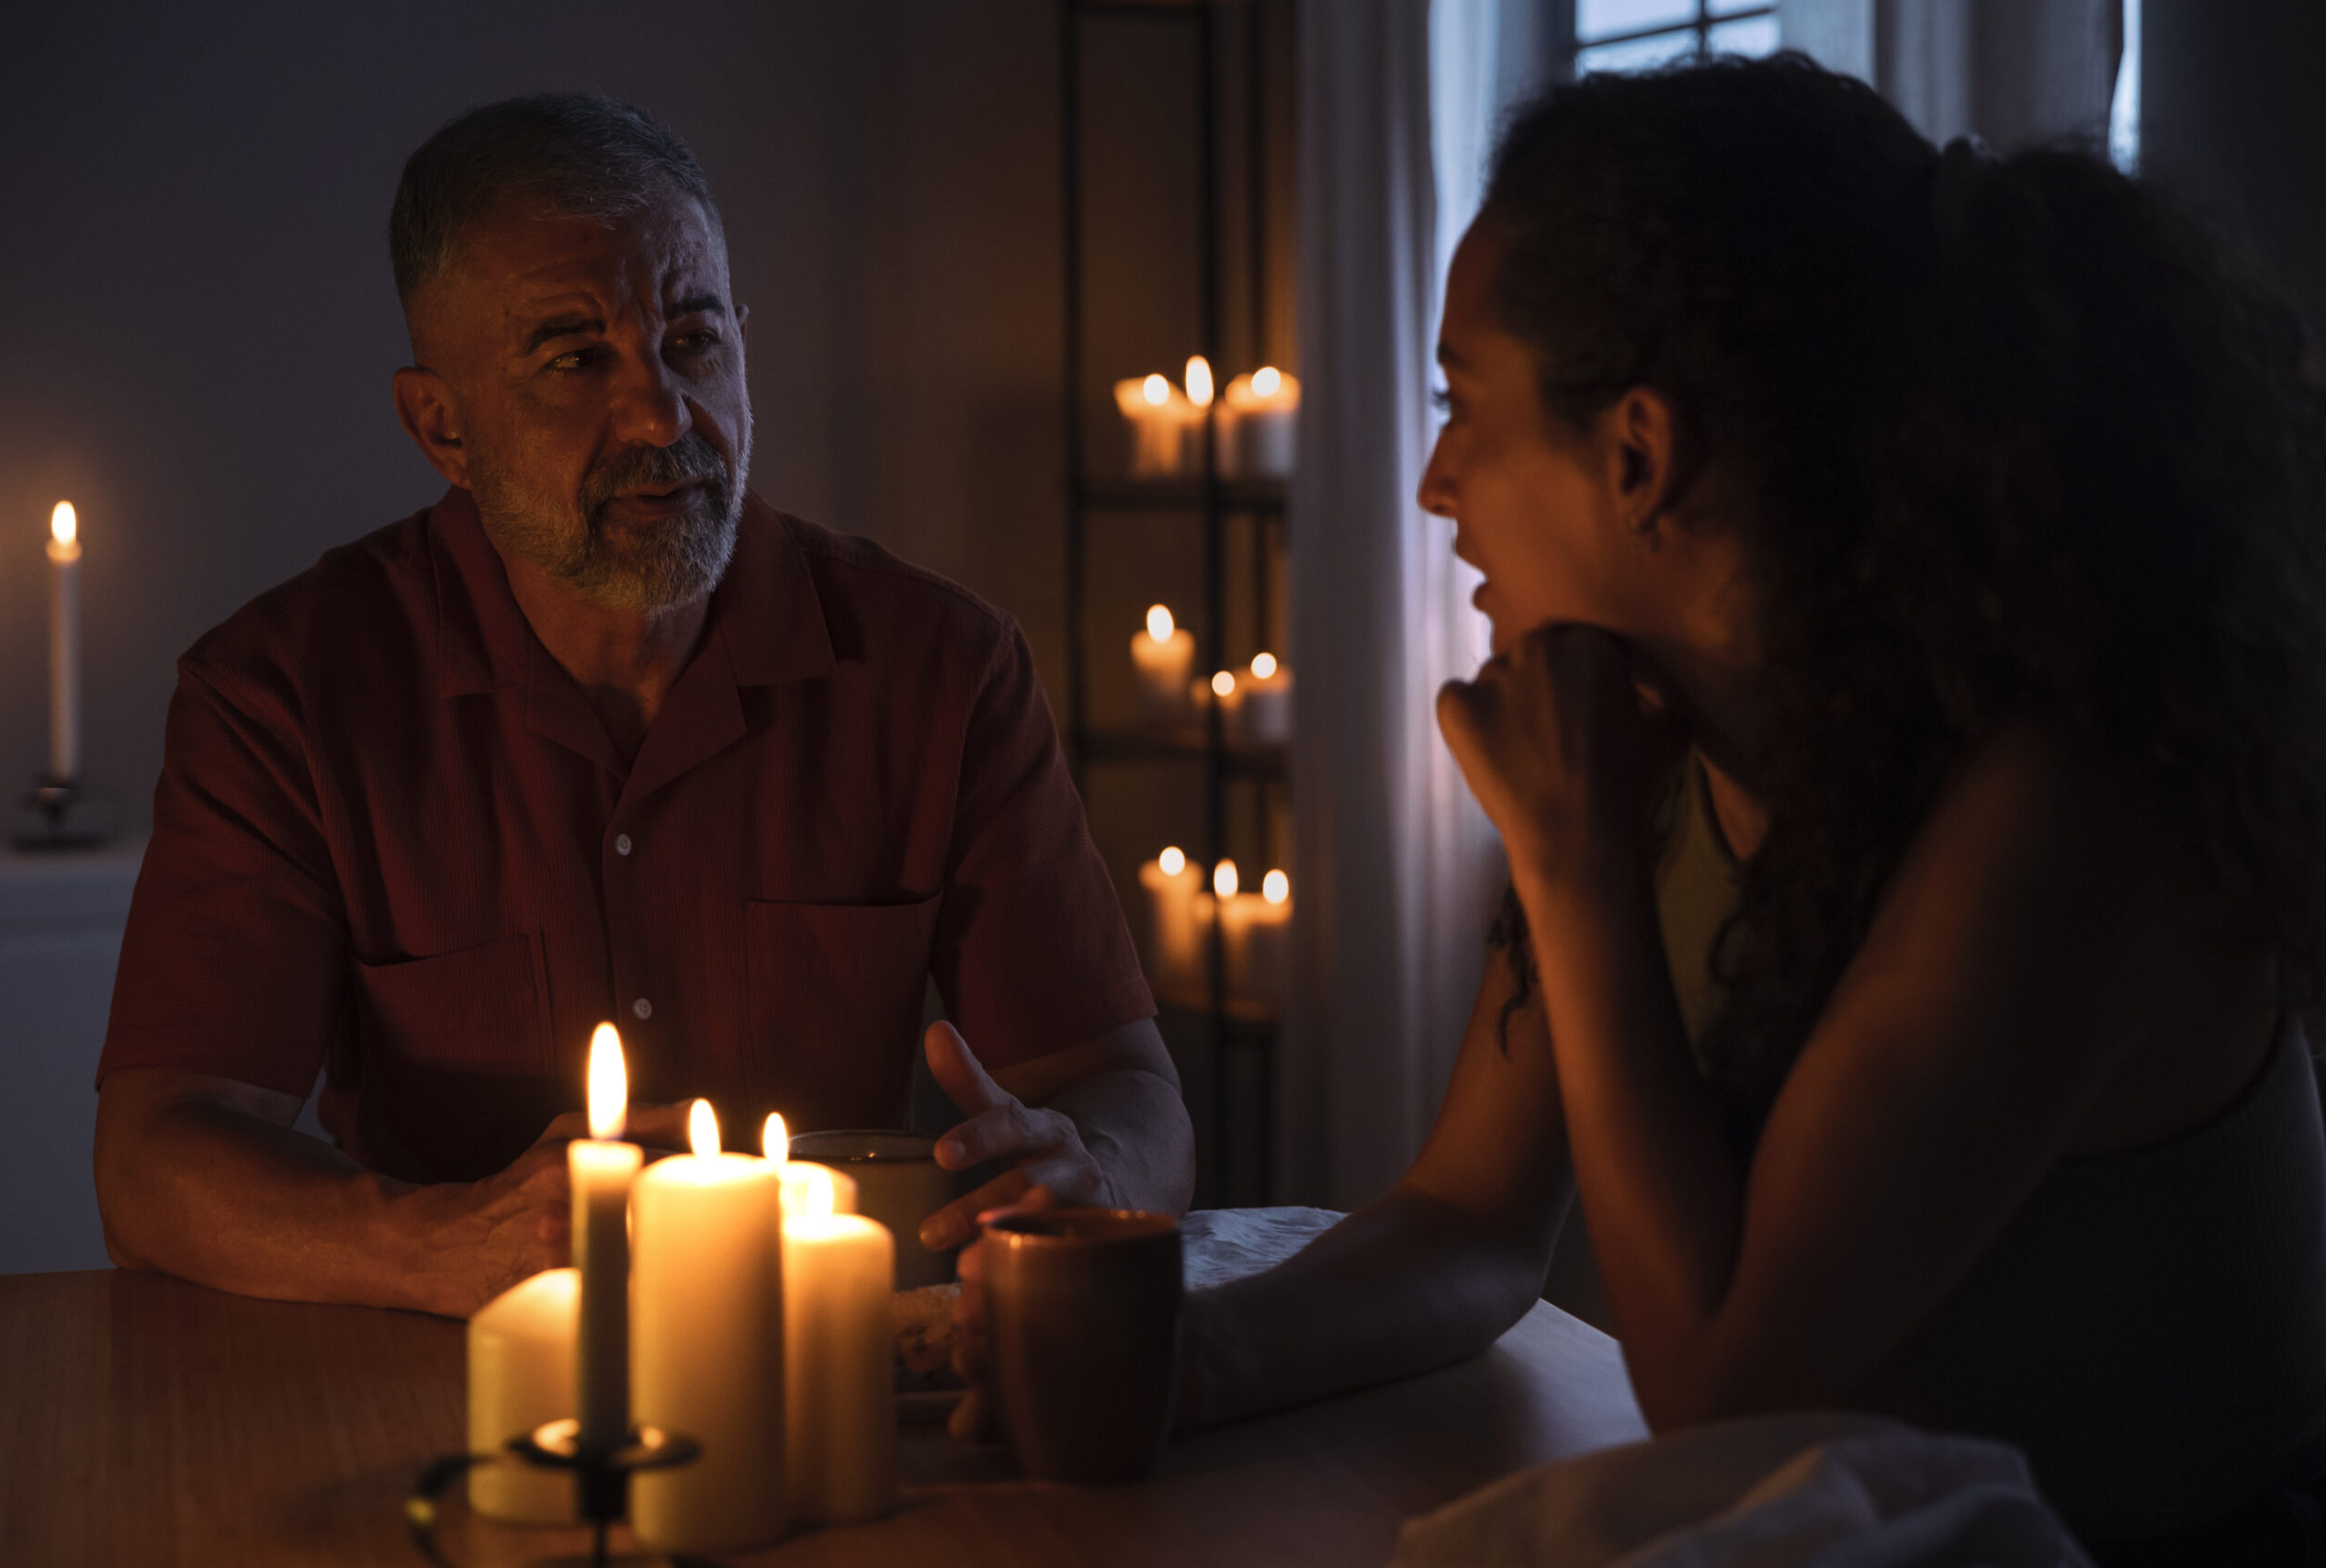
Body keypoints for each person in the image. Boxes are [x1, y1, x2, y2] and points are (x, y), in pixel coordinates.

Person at [965, 57, 2326, 1560]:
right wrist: (1166, 1364)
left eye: (1461, 406)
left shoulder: (2056, 814)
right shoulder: (1659, 748)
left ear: (1638, 452)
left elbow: (1728, 1392)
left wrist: (1579, 863)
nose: (1432, 484)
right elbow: (1471, 1220)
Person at [91, 93, 1192, 1321]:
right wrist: (439, 1243)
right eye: (576, 359)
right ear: (442, 425)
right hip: (445, 1388)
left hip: (829, 1377)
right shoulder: (285, 695)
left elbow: (1124, 1092)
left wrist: (1084, 1170)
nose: (663, 418)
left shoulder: (940, 668)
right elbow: (153, 1163)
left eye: (692, 341)